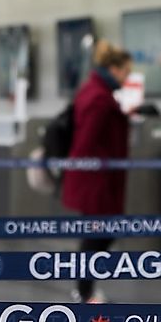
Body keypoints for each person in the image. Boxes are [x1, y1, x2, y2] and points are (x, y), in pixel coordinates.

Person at [61, 41, 134, 305]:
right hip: (97, 180)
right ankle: (84, 291)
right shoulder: (99, 97)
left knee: (100, 233)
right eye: (125, 71)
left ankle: (85, 289)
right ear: (113, 69)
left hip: (101, 178)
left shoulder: (95, 91)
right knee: (97, 234)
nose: (127, 77)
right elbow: (87, 141)